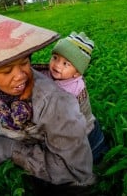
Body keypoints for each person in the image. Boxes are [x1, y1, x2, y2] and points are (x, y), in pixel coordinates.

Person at [0, 11, 97, 195]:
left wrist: (11, 150)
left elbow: (77, 173)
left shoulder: (55, 102)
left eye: (25, 63)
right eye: (7, 71)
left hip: (81, 145)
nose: (20, 76)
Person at [33, 32, 108, 165]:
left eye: (65, 63)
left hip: (86, 133)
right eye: (55, 57)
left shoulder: (74, 88)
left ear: (77, 72)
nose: (57, 65)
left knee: (84, 155)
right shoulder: (54, 74)